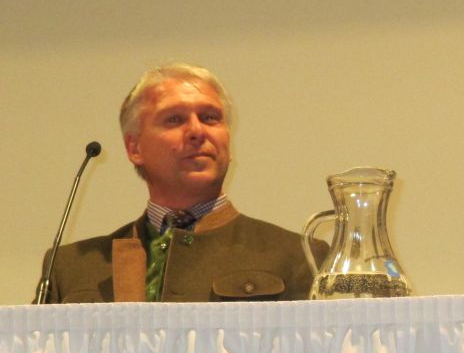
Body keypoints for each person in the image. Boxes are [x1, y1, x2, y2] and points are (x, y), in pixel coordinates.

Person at [42, 64, 319, 302]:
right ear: (134, 148)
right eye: (174, 119)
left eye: (210, 118)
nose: (197, 131)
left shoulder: (301, 257)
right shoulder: (70, 269)